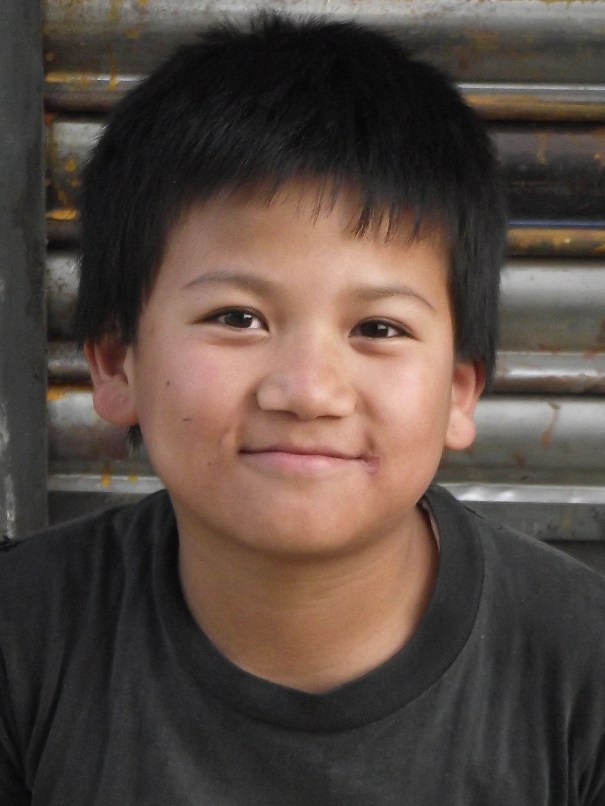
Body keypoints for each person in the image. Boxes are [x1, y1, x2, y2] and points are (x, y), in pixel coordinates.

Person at [1, 13, 604, 805]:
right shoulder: (24, 638)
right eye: (237, 318)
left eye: (378, 329)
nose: (308, 392)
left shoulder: (581, 667)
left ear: (460, 392)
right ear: (118, 364)